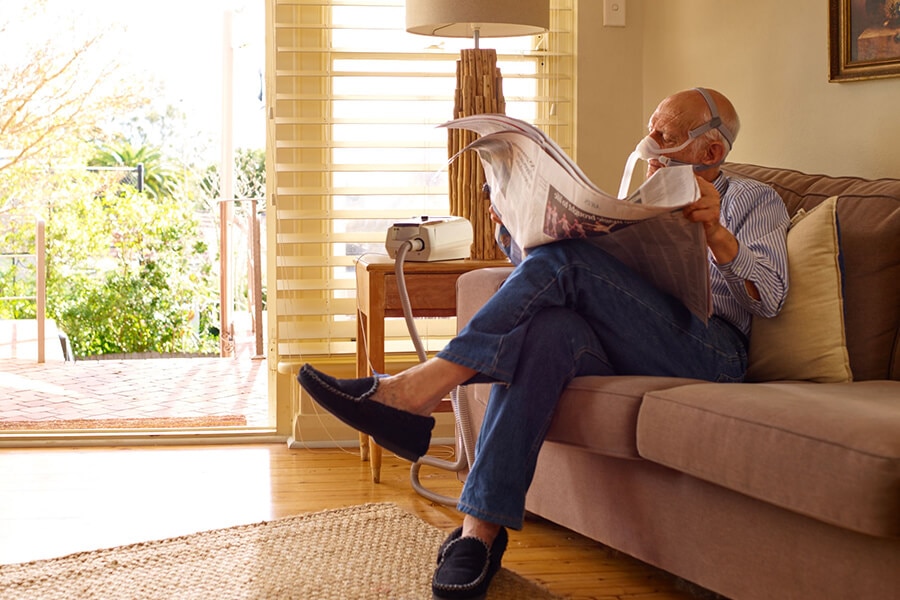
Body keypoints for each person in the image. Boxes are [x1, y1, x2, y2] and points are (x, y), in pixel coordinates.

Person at [298, 87, 790, 600]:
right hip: (634, 338)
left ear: (711, 152)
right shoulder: (641, 194)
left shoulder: (754, 199)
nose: (649, 144)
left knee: (572, 264)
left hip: (714, 352)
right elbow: (566, 286)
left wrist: (717, 234)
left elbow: (771, 297)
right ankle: (479, 534)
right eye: (650, 129)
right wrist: (517, 232)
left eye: (664, 135)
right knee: (549, 330)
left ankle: (416, 391)